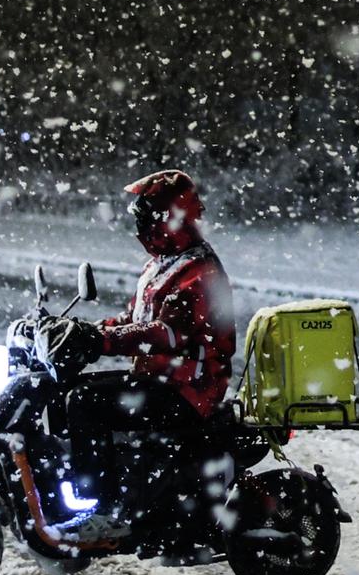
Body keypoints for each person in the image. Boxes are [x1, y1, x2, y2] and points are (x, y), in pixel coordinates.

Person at [59, 169, 236, 540]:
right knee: (68, 390)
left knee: (86, 401)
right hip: (161, 378)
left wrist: (101, 341)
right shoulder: (165, 263)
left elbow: (167, 332)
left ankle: (103, 511)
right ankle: (87, 490)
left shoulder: (197, 270)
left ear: (169, 217)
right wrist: (86, 329)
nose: (139, 222)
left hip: (189, 389)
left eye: (146, 213)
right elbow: (137, 320)